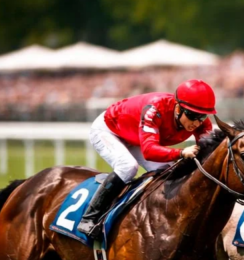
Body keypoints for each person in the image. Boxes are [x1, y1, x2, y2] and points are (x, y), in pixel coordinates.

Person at [77, 79, 217, 241]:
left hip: (136, 137)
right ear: (178, 107)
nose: (196, 122)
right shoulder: (154, 109)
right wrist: (180, 153)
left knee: (170, 171)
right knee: (128, 167)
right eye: (192, 115)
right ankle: (89, 217)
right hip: (109, 130)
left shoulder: (200, 122)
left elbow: (208, 156)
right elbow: (149, 151)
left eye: (202, 116)